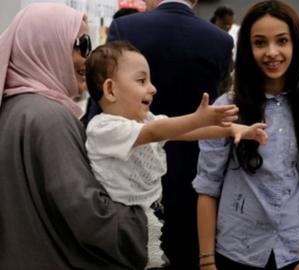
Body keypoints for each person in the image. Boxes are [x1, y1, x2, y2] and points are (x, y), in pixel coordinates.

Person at [84, 41, 268, 269]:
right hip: (120, 224)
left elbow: (188, 131)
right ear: (111, 90)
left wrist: (232, 130)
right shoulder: (104, 127)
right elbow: (155, 132)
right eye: (142, 81)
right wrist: (198, 117)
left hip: (147, 216)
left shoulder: (145, 121)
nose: (152, 88)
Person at [0, 3, 149, 269]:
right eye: (81, 44)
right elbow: (86, 212)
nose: (88, 58)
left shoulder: (13, 107)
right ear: (46, 45)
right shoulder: (50, 118)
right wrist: (141, 219)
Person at [194, 1, 299, 269]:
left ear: (296, 44)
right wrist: (207, 261)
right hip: (236, 252)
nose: (272, 52)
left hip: (294, 252)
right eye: (260, 43)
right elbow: (208, 186)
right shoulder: (227, 107)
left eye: (282, 41)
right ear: (247, 48)